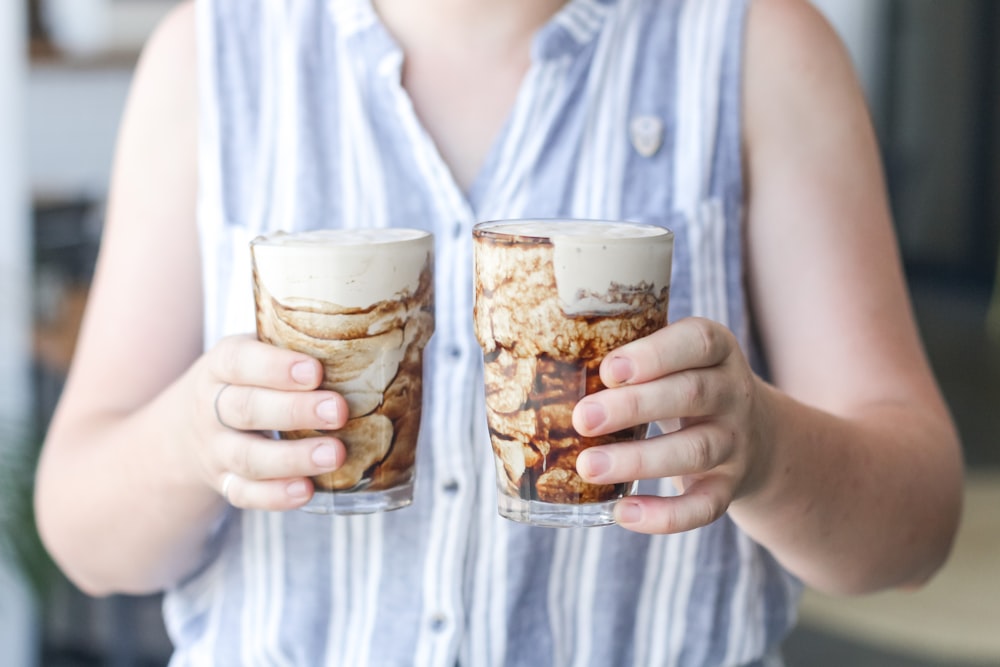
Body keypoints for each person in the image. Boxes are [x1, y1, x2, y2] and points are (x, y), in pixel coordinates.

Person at [35, 0, 964, 664]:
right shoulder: (211, 60)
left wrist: (764, 447)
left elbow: (917, 528)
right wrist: (195, 442)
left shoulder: (758, 46)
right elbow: (82, 530)